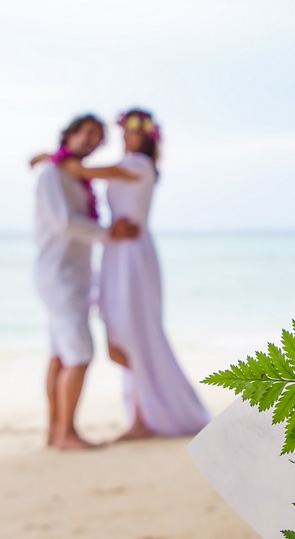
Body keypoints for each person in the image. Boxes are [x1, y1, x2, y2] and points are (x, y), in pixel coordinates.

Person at [54, 109, 212, 439]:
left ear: (147, 136)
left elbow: (81, 169)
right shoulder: (130, 166)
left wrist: (52, 156)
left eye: (133, 129)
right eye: (125, 129)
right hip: (117, 248)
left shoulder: (138, 165)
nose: (127, 134)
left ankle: (145, 417)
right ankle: (144, 413)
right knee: (123, 335)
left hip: (132, 253)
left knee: (133, 334)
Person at [32, 114, 138, 450]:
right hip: (58, 275)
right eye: (88, 133)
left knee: (62, 355)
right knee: (79, 353)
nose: (93, 140)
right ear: (71, 134)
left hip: (73, 275)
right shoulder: (53, 175)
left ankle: (56, 433)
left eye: (99, 137)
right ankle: (66, 434)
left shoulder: (72, 174)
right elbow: (65, 223)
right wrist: (109, 233)